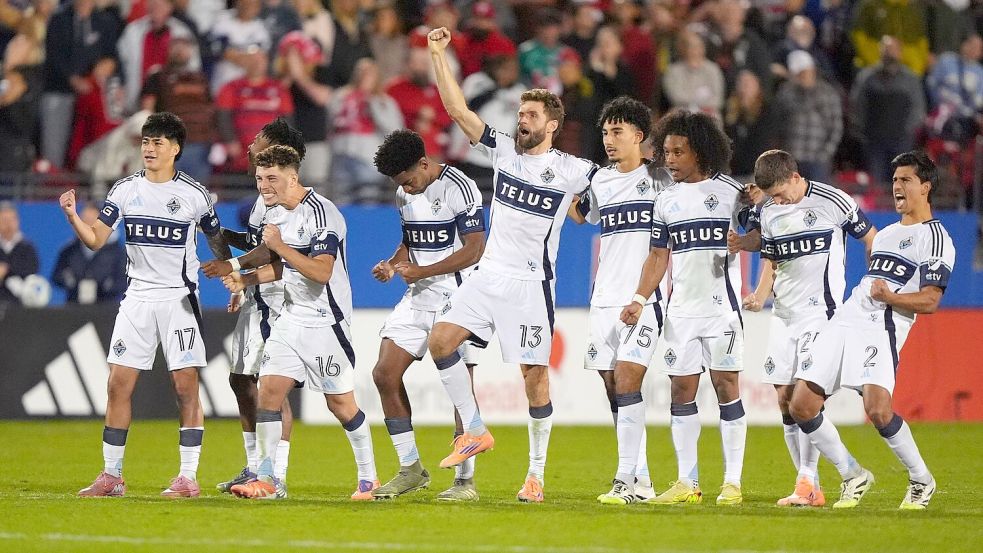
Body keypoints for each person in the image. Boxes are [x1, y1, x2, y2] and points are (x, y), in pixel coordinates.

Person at [427, 26, 598, 503]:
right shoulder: (503, 149)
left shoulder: (574, 171)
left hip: (530, 284)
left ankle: (535, 474)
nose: (521, 120)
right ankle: (475, 429)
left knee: (534, 377)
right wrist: (438, 54)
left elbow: (616, 188)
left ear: (551, 125)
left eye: (531, 115)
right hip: (487, 276)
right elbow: (457, 110)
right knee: (440, 342)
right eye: (520, 113)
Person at [60, 112, 230, 498]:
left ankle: (188, 477)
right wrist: (72, 215)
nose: (149, 148)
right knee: (118, 384)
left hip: (179, 298)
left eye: (157, 142)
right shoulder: (124, 190)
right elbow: (95, 240)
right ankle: (112, 475)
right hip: (137, 298)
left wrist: (232, 273)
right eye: (145, 142)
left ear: (176, 149)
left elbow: (217, 241)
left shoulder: (195, 195)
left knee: (185, 387)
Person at [788, 151, 954, 510]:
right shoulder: (888, 233)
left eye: (906, 180)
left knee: (878, 410)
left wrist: (891, 296)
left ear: (925, 187)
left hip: (882, 326)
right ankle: (852, 474)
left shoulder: (935, 238)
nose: (897, 186)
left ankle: (922, 480)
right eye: (894, 180)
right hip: (847, 318)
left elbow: (930, 301)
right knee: (800, 405)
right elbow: (874, 275)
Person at [212, 145, 379, 500]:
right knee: (268, 394)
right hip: (289, 318)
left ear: (293, 176)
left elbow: (320, 272)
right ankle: (270, 480)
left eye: (271, 178)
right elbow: (282, 267)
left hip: (326, 322)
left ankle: (369, 478)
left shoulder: (322, 214)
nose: (264, 187)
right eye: (259, 179)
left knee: (341, 405)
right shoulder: (277, 214)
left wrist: (280, 247)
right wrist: (245, 279)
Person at [733, 149, 876, 507]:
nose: (777, 202)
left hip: (820, 315)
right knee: (784, 400)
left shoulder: (833, 200)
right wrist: (760, 294)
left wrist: (875, 283)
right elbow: (769, 255)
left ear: (795, 177)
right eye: (772, 196)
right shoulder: (768, 208)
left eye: (780, 193)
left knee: (804, 401)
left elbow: (871, 236)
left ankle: (841, 474)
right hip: (783, 315)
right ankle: (808, 486)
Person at [621, 109, 749, 506]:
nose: (670, 160)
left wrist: (750, 232)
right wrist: (640, 299)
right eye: (667, 152)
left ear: (701, 152)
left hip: (722, 310)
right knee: (681, 391)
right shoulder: (666, 201)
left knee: (727, 387)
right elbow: (658, 256)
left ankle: (732, 482)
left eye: (679, 152)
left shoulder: (733, 193)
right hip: (681, 313)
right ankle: (687, 482)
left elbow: (763, 231)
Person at [369, 129, 486, 501]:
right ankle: (410, 469)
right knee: (384, 374)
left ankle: (465, 481)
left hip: (460, 296)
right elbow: (411, 242)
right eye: (401, 184)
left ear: (424, 163)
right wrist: (393, 264)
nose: (408, 188)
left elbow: (475, 249)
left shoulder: (460, 187)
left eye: (410, 180)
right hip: (418, 295)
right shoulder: (404, 191)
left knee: (459, 386)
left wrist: (423, 271)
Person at [567, 96, 671, 504]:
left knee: (628, 379)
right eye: (606, 132)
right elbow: (582, 214)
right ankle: (641, 479)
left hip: (644, 297)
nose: (609, 140)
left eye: (618, 132)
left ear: (639, 136)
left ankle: (624, 480)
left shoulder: (662, 181)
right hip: (604, 297)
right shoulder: (601, 181)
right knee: (612, 385)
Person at [207, 118, 306, 495]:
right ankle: (253, 467)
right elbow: (253, 244)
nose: (250, 143)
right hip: (258, 298)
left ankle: (274, 474)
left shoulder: (284, 198)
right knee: (240, 380)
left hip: (280, 299)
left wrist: (235, 269)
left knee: (271, 386)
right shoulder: (262, 196)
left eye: (258, 139)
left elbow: (268, 253)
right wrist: (217, 232)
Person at [51, 202, 127, 304]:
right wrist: (72, 283)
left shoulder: (117, 251)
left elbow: (123, 280)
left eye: (91, 222)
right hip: (74, 307)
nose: (87, 226)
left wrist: (103, 286)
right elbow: (57, 275)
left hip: (106, 308)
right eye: (83, 222)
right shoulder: (69, 250)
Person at [0, 201, 39, 304]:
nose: (8, 224)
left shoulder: (27, 247)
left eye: (11, 220)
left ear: (17, 221)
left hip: (20, 304)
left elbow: (33, 269)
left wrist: (7, 270)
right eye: (4, 220)